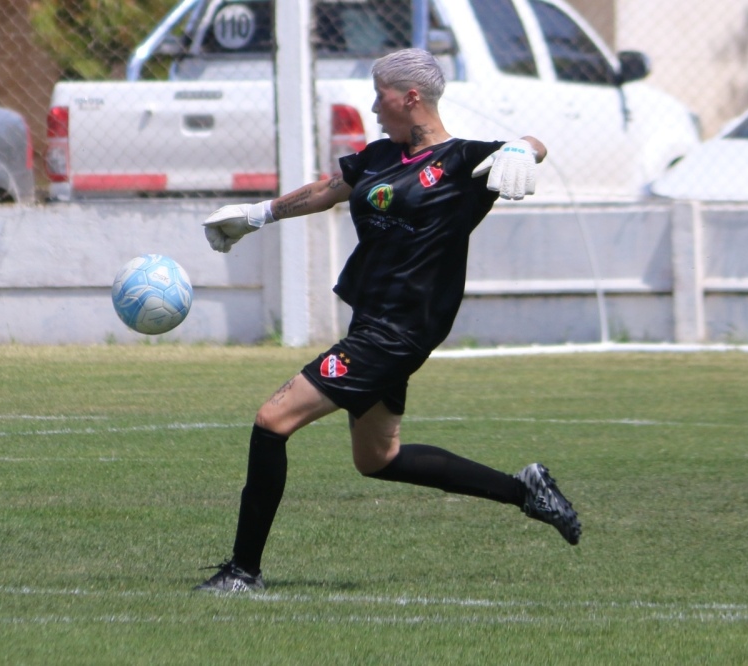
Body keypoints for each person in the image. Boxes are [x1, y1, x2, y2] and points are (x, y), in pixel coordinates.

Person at [195, 48, 581, 593]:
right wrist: (257, 215)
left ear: (410, 98)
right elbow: (329, 190)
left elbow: (534, 147)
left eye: (380, 95)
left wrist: (524, 145)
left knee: (271, 420)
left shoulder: (465, 163)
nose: (374, 107)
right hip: (369, 324)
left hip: (398, 334)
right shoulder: (380, 156)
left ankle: (242, 571)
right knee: (378, 458)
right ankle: (526, 490)